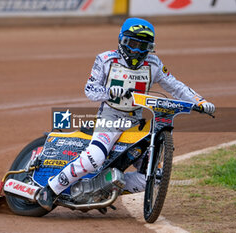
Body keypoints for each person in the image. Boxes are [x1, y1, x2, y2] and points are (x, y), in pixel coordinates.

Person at [37, 18, 215, 210]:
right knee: (94, 158)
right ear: (122, 40)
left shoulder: (154, 64)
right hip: (109, 118)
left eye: (143, 46)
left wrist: (200, 101)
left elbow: (176, 86)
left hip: (135, 123)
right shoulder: (105, 59)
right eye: (133, 44)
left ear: (151, 47)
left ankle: (100, 190)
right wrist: (110, 92)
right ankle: (50, 189)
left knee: (156, 177)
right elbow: (90, 89)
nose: (137, 50)